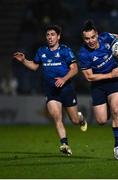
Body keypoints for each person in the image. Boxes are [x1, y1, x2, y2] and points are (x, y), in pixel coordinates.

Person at [13, 24, 87, 156]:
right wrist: (24, 61)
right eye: (48, 35)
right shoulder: (42, 51)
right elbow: (35, 66)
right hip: (51, 91)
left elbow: (75, 69)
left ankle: (80, 118)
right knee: (57, 117)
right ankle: (64, 144)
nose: (50, 37)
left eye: (53, 34)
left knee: (74, 121)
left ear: (58, 36)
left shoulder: (65, 50)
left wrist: (64, 79)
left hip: (66, 90)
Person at [78, 20, 118, 160]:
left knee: (116, 110)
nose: (90, 41)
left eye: (92, 37)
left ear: (97, 35)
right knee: (101, 121)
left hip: (114, 81)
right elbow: (89, 77)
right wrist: (110, 74)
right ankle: (106, 108)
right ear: (83, 39)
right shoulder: (83, 54)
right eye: (87, 38)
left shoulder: (106, 37)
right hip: (98, 85)